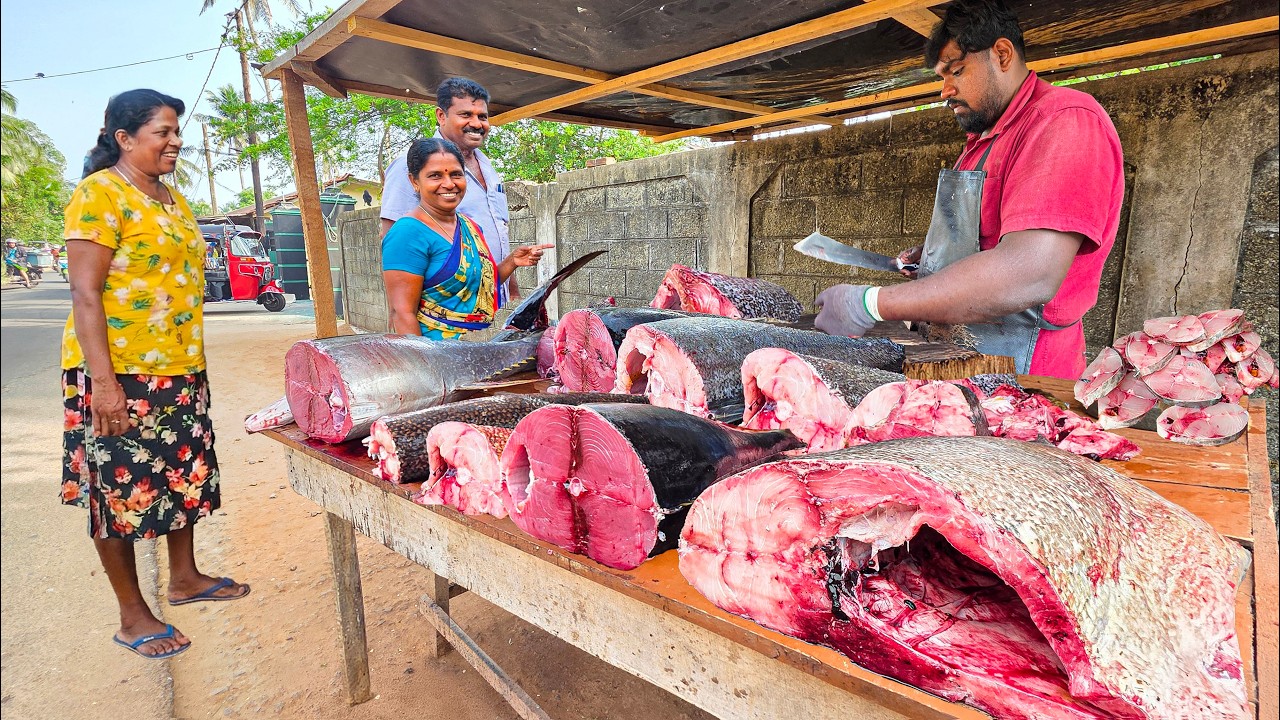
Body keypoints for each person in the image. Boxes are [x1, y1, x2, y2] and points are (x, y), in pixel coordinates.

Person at [813, 0, 1124, 380]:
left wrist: (871, 303)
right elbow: (985, 242)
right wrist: (933, 258)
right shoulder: (983, 140)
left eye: (956, 71)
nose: (945, 91)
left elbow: (1029, 272)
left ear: (1003, 54)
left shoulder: (1064, 121)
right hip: (954, 357)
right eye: (941, 77)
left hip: (1020, 371)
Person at [62, 89, 249, 660]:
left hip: (178, 368)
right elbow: (85, 293)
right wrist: (106, 386)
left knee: (182, 476)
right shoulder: (100, 194)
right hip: (118, 371)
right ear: (124, 138)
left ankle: (185, 578)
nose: (175, 141)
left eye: (175, 132)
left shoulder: (172, 199)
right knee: (117, 491)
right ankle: (131, 614)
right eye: (162, 133)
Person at [382, 137, 552, 339]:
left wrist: (512, 261)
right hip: (436, 357)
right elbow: (401, 314)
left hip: (477, 351)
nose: (449, 184)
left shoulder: (469, 226)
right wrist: (425, 367)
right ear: (414, 181)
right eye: (435, 176)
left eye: (456, 174)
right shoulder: (407, 233)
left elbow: (480, 287)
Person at [380, 78, 521, 304]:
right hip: (447, 310)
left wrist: (512, 292)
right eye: (466, 115)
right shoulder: (412, 165)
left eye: (482, 117)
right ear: (441, 116)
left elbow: (499, 235)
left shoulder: (488, 167)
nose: (477, 124)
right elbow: (393, 241)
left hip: (492, 301)